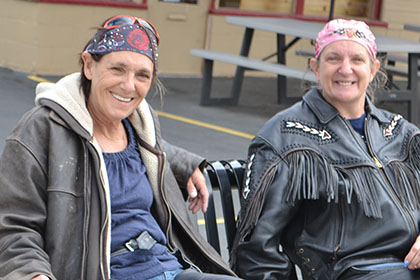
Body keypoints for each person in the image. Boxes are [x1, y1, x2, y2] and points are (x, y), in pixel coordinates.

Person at [0, 15, 240, 280]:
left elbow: (145, 153)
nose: (129, 86)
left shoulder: (140, 126)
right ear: (89, 65)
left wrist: (186, 164)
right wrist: (32, 274)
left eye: (142, 75)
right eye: (118, 69)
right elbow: (13, 227)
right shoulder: (41, 130)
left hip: (168, 267)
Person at [231, 18, 420, 279]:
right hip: (354, 272)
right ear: (316, 67)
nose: (345, 69)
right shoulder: (287, 135)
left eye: (357, 59)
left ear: (374, 68)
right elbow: (256, 247)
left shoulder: (401, 132)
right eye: (333, 59)